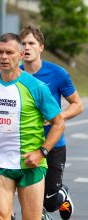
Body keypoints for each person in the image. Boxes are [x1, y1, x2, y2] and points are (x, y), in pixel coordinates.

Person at [0, 33, 65, 220]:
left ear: (20, 54)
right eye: (0, 52)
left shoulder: (36, 87)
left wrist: (41, 153)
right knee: (0, 216)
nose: (4, 57)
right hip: (0, 163)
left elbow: (59, 123)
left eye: (9, 52)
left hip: (30, 163)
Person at [19, 25, 84, 220]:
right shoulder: (16, 75)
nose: (27, 47)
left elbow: (77, 105)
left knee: (50, 200)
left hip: (54, 143)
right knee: (30, 195)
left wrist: (57, 118)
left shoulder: (57, 73)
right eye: (23, 43)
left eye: (31, 43)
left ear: (41, 47)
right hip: (28, 144)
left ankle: (62, 194)